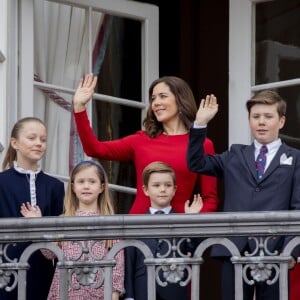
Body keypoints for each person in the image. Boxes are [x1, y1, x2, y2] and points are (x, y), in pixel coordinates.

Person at [186, 90, 300, 300]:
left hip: (275, 251)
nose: (261, 122)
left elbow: (298, 208)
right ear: (249, 121)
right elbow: (197, 163)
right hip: (234, 247)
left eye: (268, 117)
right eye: (256, 117)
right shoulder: (235, 154)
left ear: (281, 121)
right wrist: (200, 124)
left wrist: (291, 251)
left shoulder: (295, 158)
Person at [72, 73, 219, 214]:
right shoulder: (141, 140)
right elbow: (94, 149)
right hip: (138, 228)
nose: (156, 103)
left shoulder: (202, 144)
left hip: (179, 232)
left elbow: (210, 199)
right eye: (153, 99)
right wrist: (79, 107)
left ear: (180, 100)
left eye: (163, 96)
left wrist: (192, 222)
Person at [21, 159, 125, 300]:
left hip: (99, 293)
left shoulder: (110, 223)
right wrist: (37, 225)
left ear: (101, 187)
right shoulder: (63, 220)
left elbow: (117, 266)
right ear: (73, 187)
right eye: (81, 182)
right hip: (65, 292)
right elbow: (49, 253)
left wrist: (114, 296)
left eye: (92, 182)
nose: (86, 186)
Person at [0, 117, 65, 300]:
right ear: (15, 143)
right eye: (32, 138)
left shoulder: (55, 186)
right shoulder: (1, 182)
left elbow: (59, 234)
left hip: (43, 269)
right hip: (6, 269)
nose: (38, 143)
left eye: (43, 140)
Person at [123, 161, 203, 300]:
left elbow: (194, 251)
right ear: (146, 190)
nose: (162, 189)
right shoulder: (135, 224)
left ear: (174, 189)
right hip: (143, 290)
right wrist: (129, 296)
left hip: (174, 290)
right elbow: (129, 263)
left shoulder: (182, 221)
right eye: (156, 185)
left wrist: (191, 221)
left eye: (167, 185)